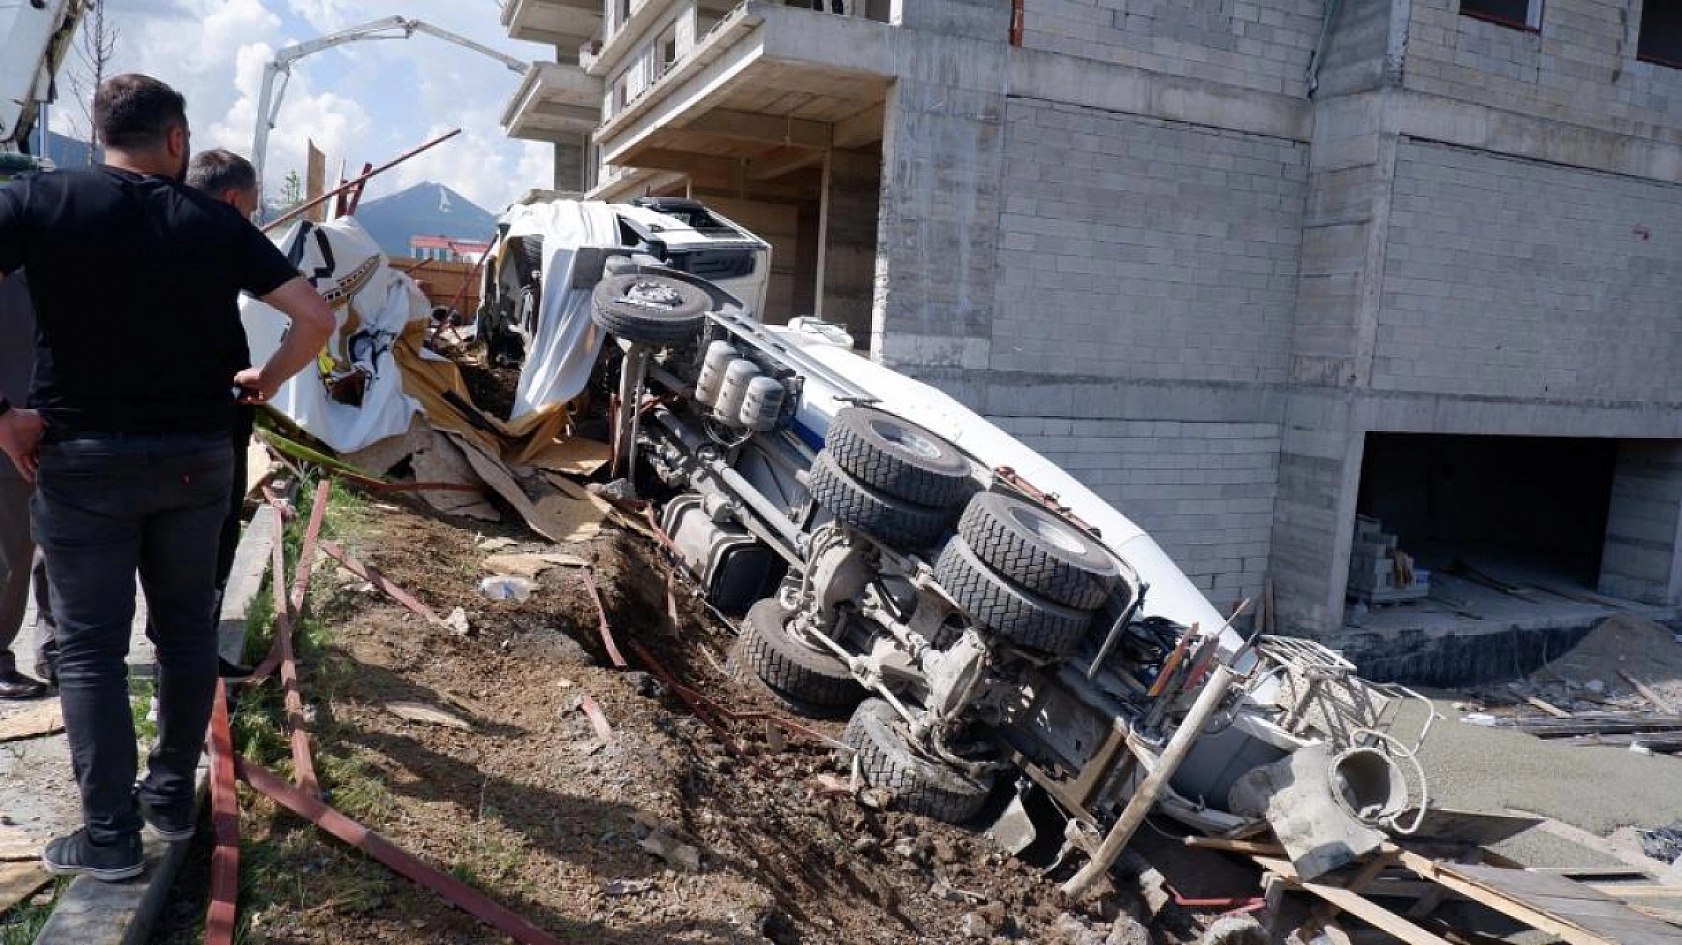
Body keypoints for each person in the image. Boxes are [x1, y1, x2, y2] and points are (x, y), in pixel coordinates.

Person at [0, 74, 334, 882]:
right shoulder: (215, 223)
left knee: (88, 651)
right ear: (177, 141)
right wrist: (270, 377)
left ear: (101, 131)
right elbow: (316, 318)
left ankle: (109, 835)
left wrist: (5, 411)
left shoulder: (41, 201)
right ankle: (167, 801)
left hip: (81, 460)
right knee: (186, 633)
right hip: (196, 457)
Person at [29, 149, 269, 688]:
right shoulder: (213, 234)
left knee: (82, 574)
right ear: (232, 200)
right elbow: (312, 314)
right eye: (249, 209)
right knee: (176, 564)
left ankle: (67, 650)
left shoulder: (106, 219)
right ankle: (158, 655)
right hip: (184, 432)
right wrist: (267, 375)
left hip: (97, 430)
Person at [0, 270, 47, 700]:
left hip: (42, 423)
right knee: (10, 550)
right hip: (8, 428)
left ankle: (54, 648)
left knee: (45, 543)